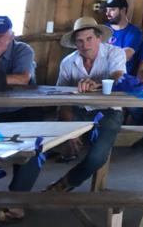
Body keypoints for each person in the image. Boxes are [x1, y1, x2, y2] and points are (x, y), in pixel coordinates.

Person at [47, 17, 127, 193]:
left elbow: (118, 76)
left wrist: (96, 84)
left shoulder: (115, 53)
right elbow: (62, 98)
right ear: (75, 43)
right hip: (78, 109)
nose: (85, 45)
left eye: (89, 39)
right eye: (80, 41)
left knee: (97, 157)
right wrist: (69, 129)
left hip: (109, 111)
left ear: (99, 38)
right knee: (48, 143)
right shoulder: (68, 62)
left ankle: (65, 183)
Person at [0, 16, 39, 222]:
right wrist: (1, 80)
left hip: (20, 111)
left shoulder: (23, 50)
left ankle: (15, 204)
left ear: (11, 36)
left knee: (32, 151)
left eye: (0, 35)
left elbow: (23, 78)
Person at [104, 0, 142, 74]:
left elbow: (125, 56)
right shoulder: (103, 29)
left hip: (122, 76)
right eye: (107, 10)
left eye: (112, 10)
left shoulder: (134, 32)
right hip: (101, 74)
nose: (107, 14)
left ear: (123, 10)